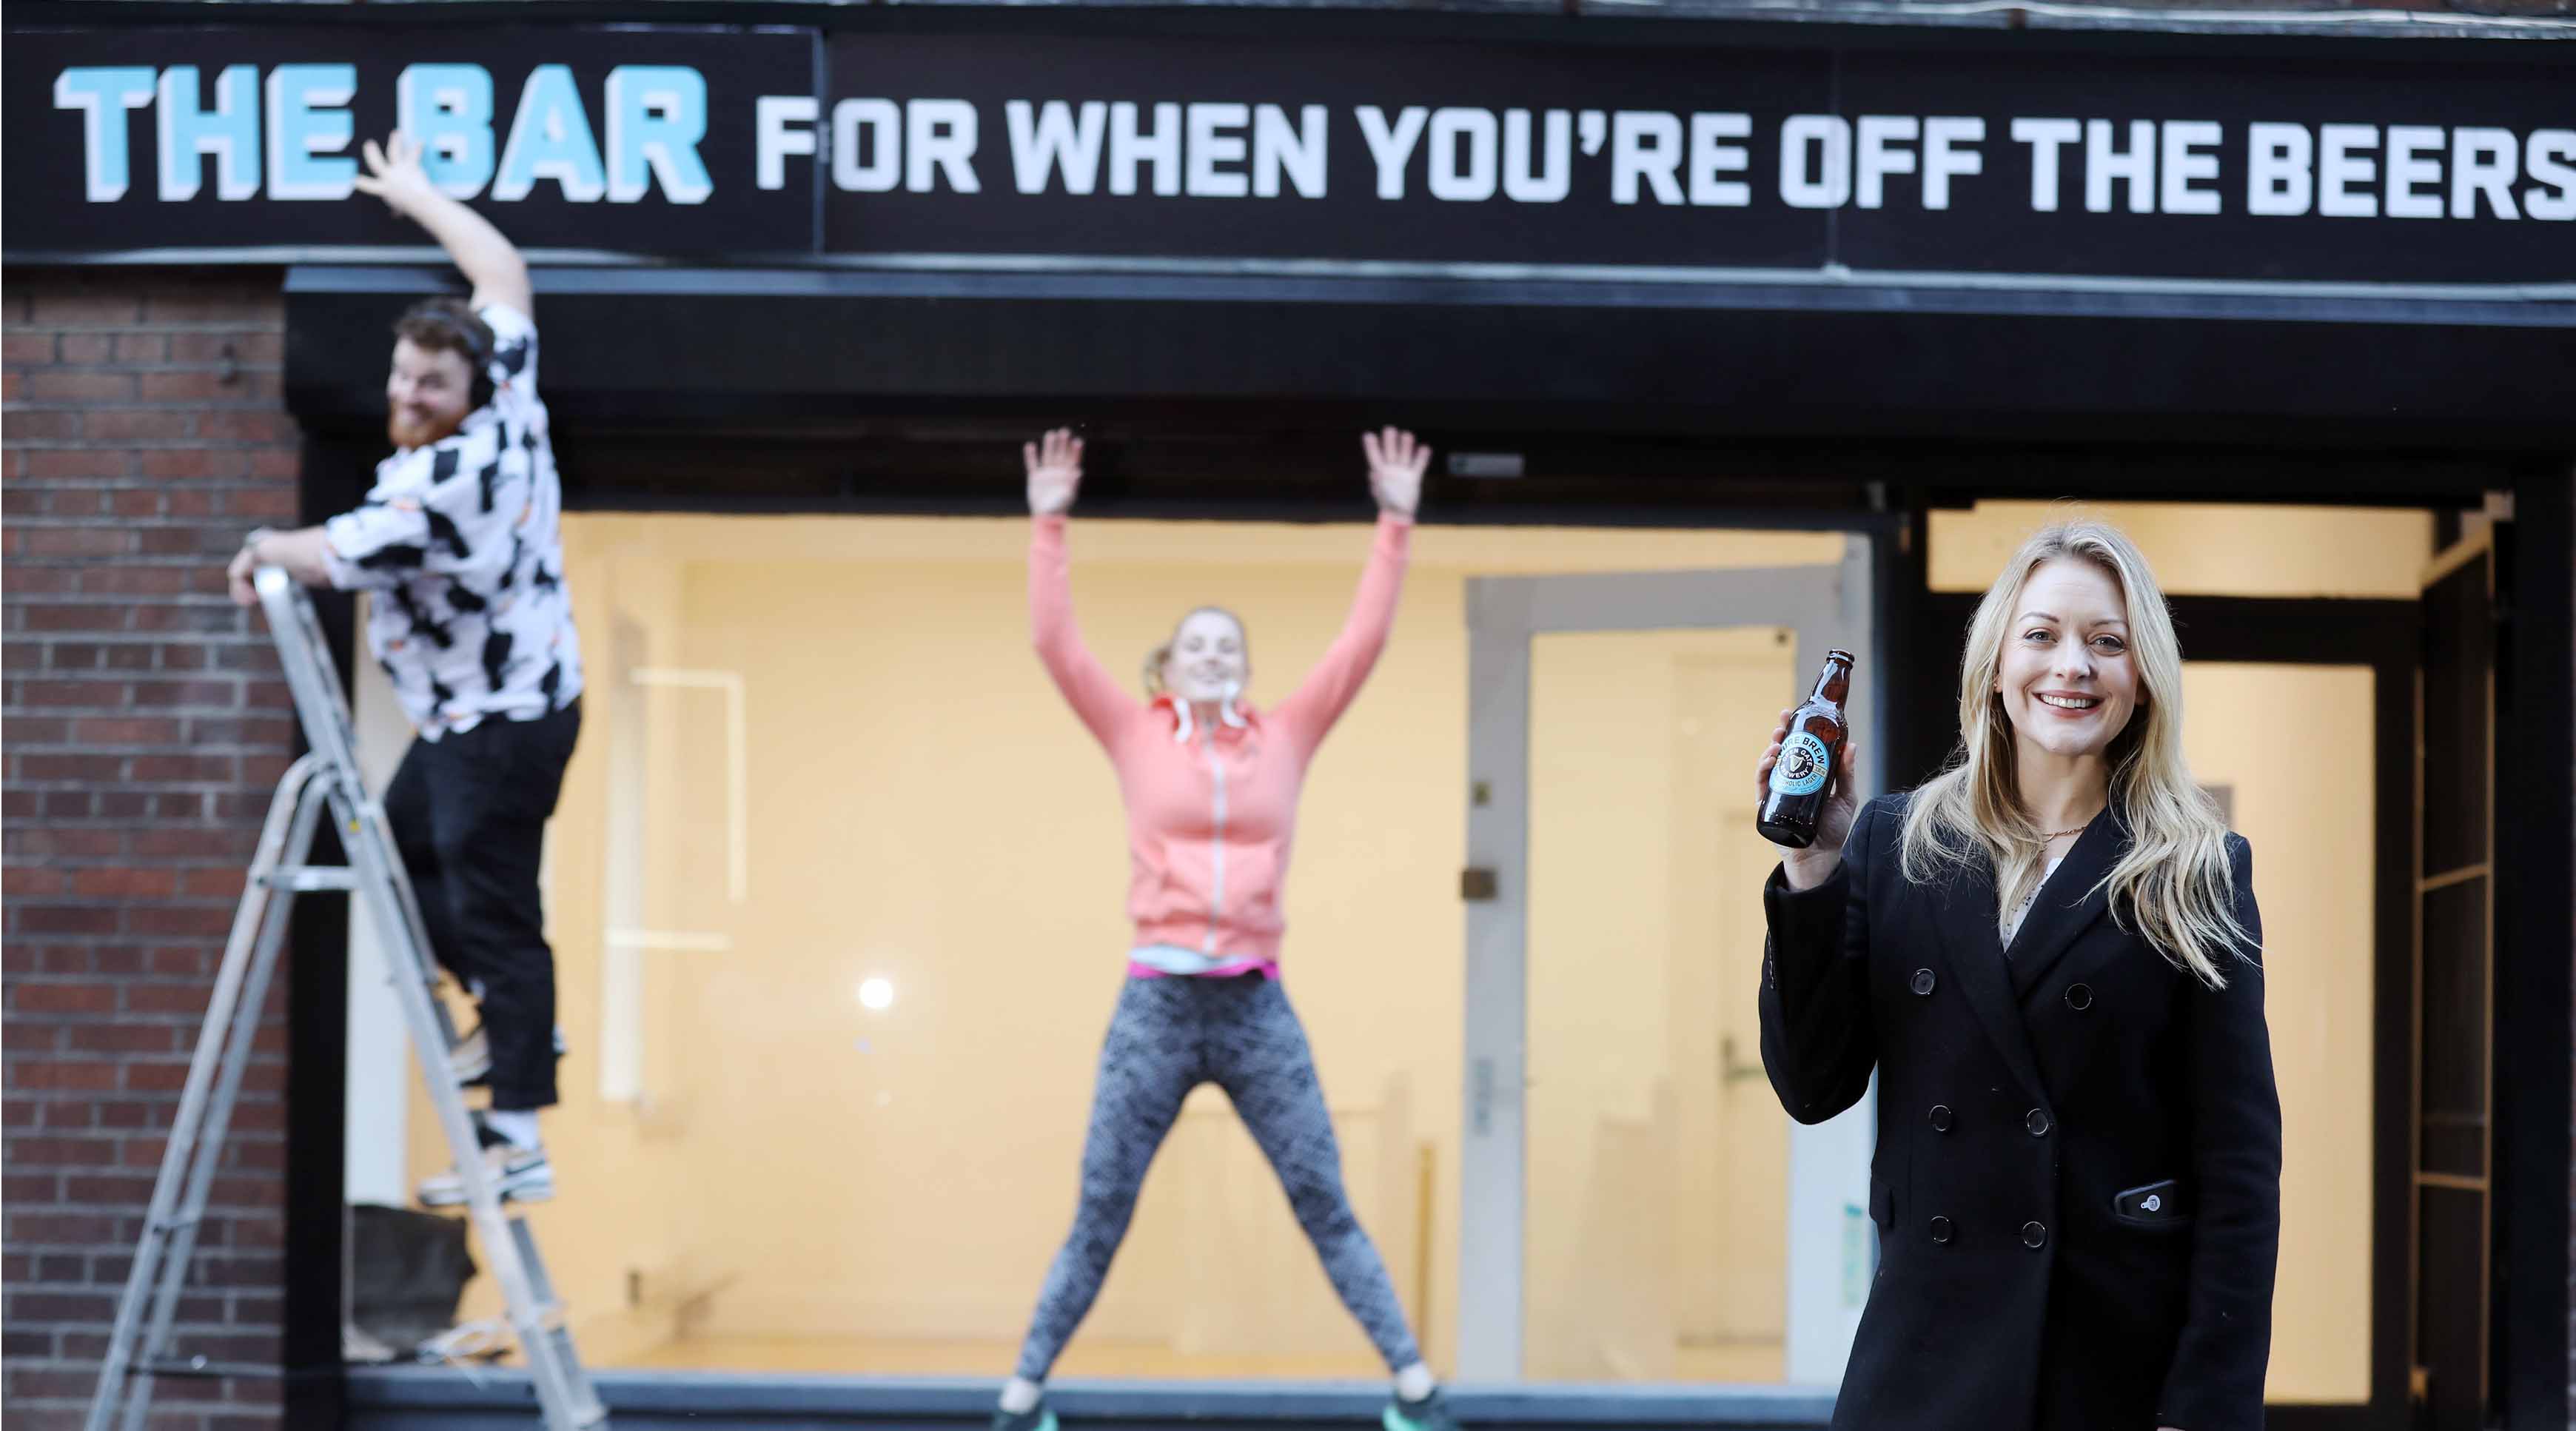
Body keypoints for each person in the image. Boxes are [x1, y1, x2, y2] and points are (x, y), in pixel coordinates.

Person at [1754, 520, 2279, 1431]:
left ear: (2143, 678)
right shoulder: (1898, 839)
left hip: (2107, 1358)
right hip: (1925, 1356)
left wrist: (2208, 1406)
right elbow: (1812, 1085)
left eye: (2106, 642)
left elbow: (2237, 1169)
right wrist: (1814, 869)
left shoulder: (2195, 868)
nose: (2071, 665)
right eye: (2040, 635)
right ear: (1995, 667)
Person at [996, 427, 1456, 1431]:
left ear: (1245, 671)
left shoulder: (1285, 737)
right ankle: (1022, 1392)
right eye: (1198, 645)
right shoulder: (1133, 733)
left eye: (1230, 648)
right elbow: (1054, 642)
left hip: (1253, 1006)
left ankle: (1414, 1388)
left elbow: (1359, 644)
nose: (1214, 657)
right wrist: (1047, 520)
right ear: (1172, 666)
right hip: (1155, 1006)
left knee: (1320, 1196)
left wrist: (1395, 519)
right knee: (1101, 1210)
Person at [227, 133, 581, 1207]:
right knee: (400, 856)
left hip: (505, 721)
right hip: (482, 714)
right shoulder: (506, 376)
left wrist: (255, 548)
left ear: (468, 389)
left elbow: (333, 552)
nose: (412, 392)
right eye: (404, 375)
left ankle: (516, 1140)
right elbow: (502, 275)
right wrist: (420, 196)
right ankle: (519, 1029)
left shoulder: (443, 485)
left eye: (432, 381)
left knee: (493, 907)